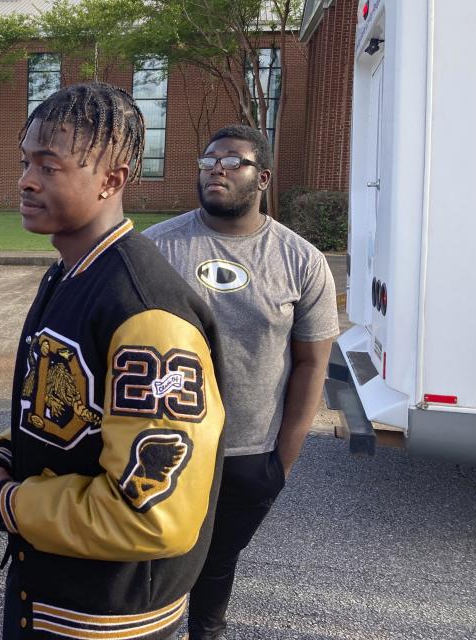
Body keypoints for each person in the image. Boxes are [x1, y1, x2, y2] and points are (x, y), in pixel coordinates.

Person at [0, 83, 225, 640]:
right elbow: (56, 412)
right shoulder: (68, 273)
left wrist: (5, 504)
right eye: (26, 162)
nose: (25, 180)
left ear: (112, 180)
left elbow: (151, 514)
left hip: (106, 620)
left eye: (49, 165)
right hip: (47, 594)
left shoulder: (146, 313)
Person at [144, 125, 339, 640]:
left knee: (216, 564)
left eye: (232, 162)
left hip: (248, 454)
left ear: (263, 178)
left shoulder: (301, 261)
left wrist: (282, 461)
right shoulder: (154, 248)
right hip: (162, 446)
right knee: (151, 564)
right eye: (208, 161)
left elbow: (311, 365)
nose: (216, 170)